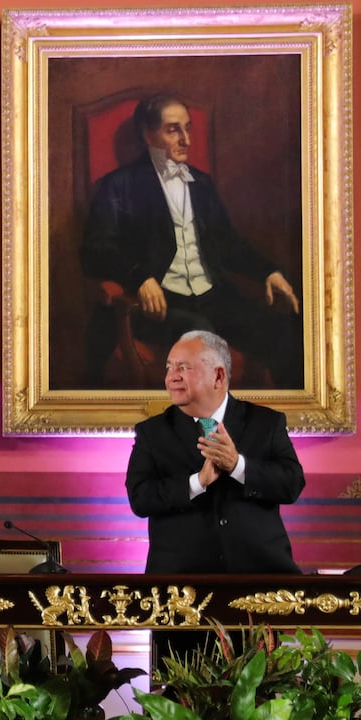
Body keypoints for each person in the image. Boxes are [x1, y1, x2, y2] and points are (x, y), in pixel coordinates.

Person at [81, 92, 302, 388]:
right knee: (201, 337)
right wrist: (139, 277)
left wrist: (269, 271)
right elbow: (95, 250)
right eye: (173, 129)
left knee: (285, 331)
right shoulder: (120, 185)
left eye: (188, 128)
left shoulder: (202, 184)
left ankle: (286, 422)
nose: (186, 139)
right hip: (159, 304)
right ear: (148, 135)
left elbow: (229, 245)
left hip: (213, 296)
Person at [126, 329, 304, 668]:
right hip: (181, 598)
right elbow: (140, 497)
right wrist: (197, 482)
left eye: (183, 366)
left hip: (258, 591)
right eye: (168, 367)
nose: (171, 376)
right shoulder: (152, 432)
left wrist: (238, 466)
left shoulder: (265, 423)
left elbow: (292, 483)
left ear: (218, 375)